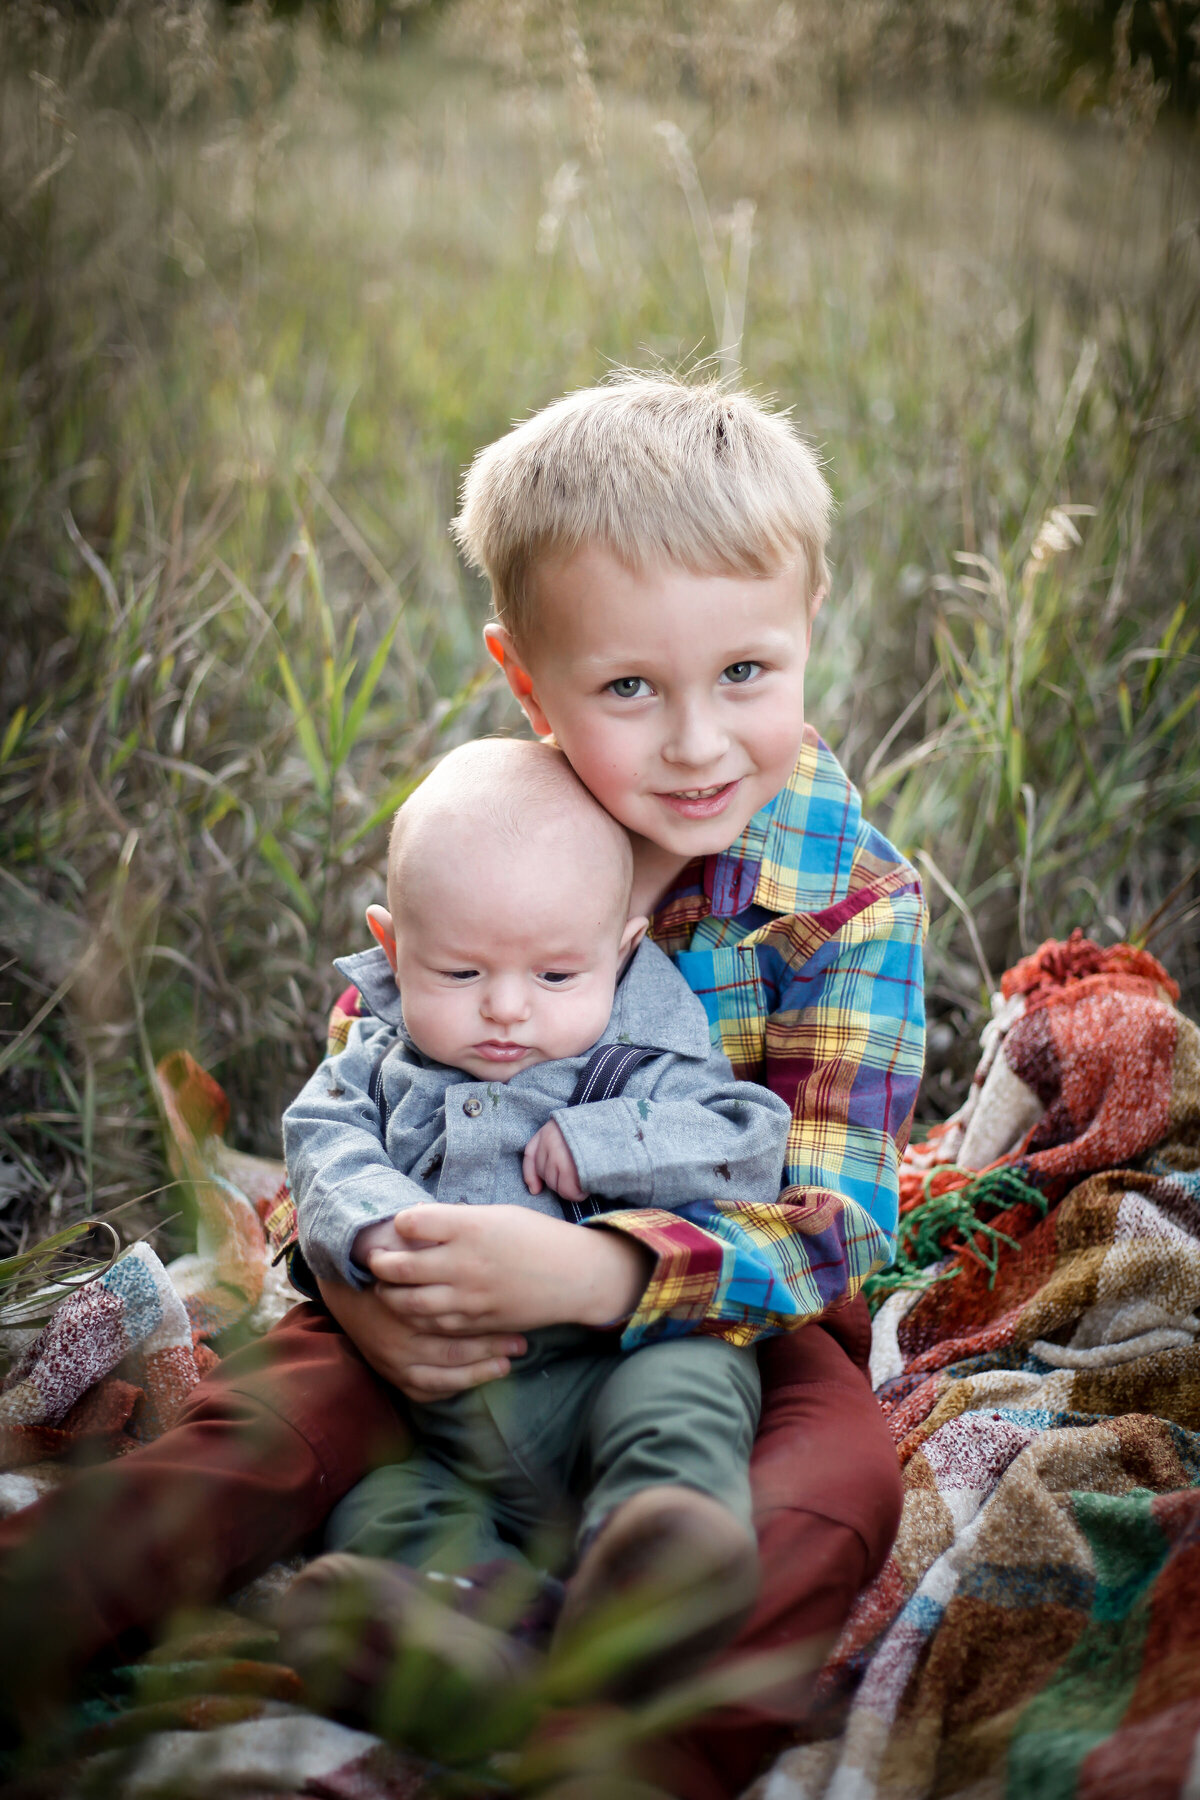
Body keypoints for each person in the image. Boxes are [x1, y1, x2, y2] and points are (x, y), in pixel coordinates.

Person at [0, 372, 925, 1799]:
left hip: (728, 1312)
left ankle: (608, 1746)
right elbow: (364, 1074)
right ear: (527, 677)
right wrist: (360, 1282)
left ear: (809, 631)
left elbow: (837, 1226)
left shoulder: (850, 904)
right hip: (435, 1276)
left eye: (745, 673)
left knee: (842, 1471)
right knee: (285, 1422)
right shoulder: (488, 820)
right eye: (629, 687)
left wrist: (590, 1276)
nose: (693, 740)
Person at [278, 736, 791, 1702]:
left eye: (556, 976)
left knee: (694, 1375)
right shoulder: (380, 1058)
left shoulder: (640, 1053)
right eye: (461, 976)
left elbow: (749, 1138)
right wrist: (374, 1228)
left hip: (609, 1361)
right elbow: (319, 1138)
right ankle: (471, 1633)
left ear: (621, 951)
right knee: (376, 1492)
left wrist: (613, 1140)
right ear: (393, 949)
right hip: (439, 1406)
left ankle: (656, 1545)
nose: (507, 1011)